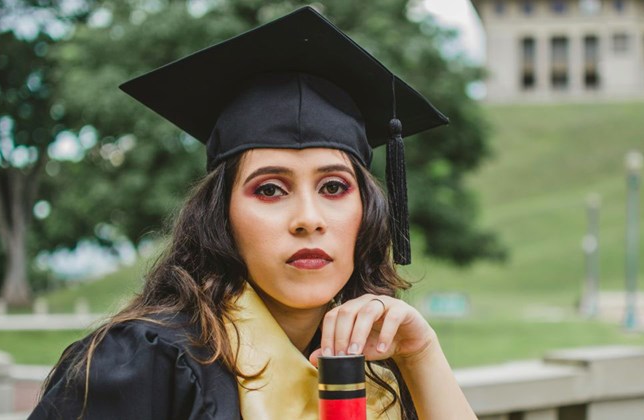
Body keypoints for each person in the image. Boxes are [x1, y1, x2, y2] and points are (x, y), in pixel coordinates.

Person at [30, 6, 476, 420]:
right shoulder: (147, 361)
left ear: (368, 212)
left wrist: (420, 355)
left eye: (334, 187)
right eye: (269, 189)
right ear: (220, 216)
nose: (308, 218)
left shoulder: (377, 365)